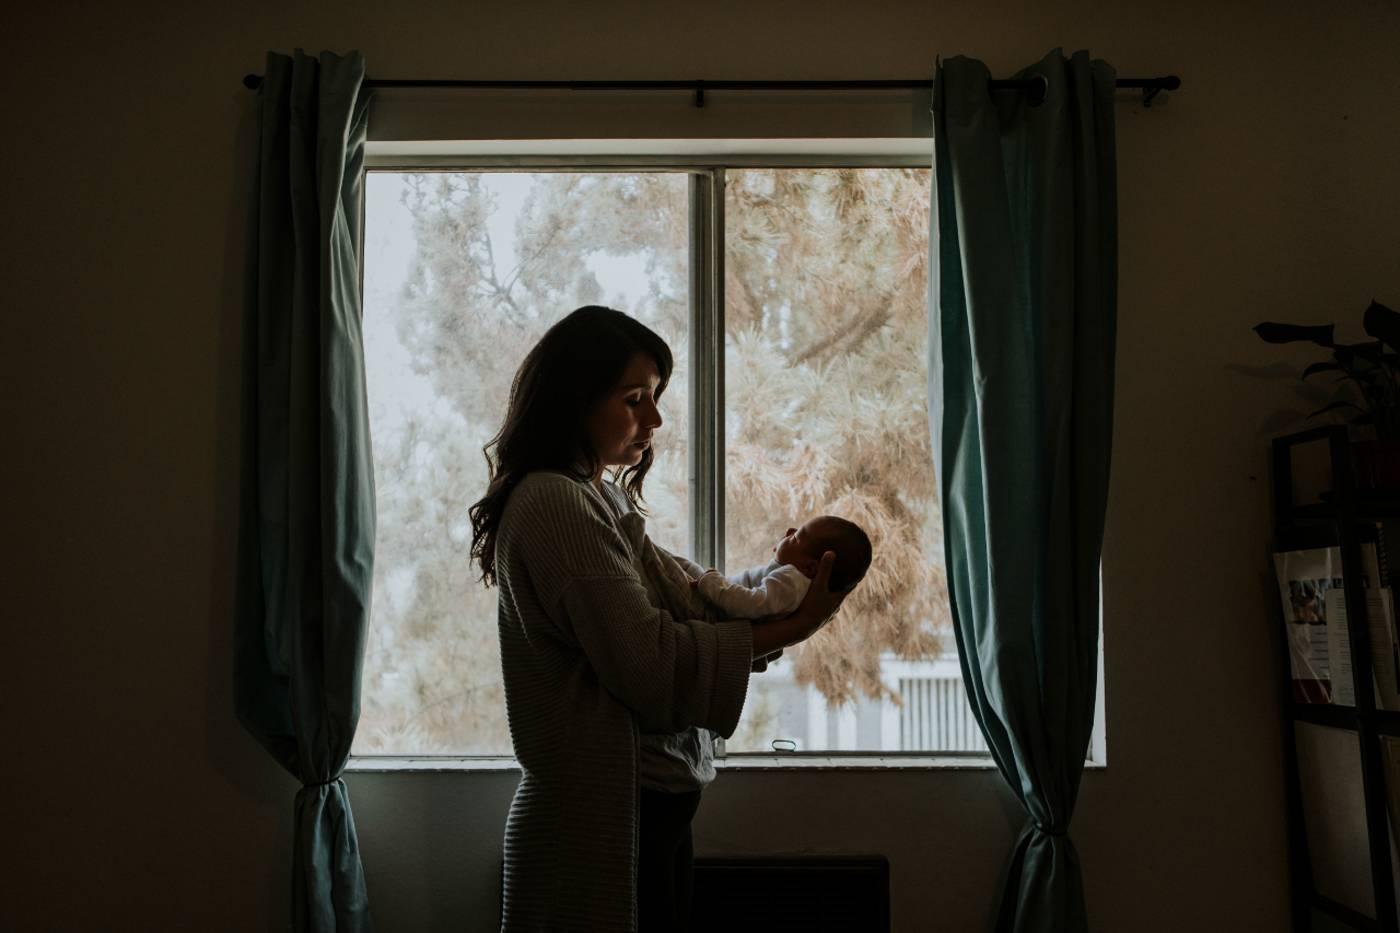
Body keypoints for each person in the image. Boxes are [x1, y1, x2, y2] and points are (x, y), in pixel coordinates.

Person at [468, 306, 849, 933]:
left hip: (638, 818)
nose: (656, 418)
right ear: (575, 398)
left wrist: (780, 603)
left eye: (657, 397)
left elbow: (689, 603)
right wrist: (797, 626)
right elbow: (649, 661)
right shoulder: (555, 502)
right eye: (635, 399)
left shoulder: (597, 496)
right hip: (601, 828)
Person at [689, 516, 873, 619]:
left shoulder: (792, 583)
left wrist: (712, 584)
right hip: (714, 598)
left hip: (712, 610)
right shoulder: (791, 578)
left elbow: (750, 605)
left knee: (680, 565)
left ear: (810, 568)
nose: (789, 532)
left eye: (796, 537)